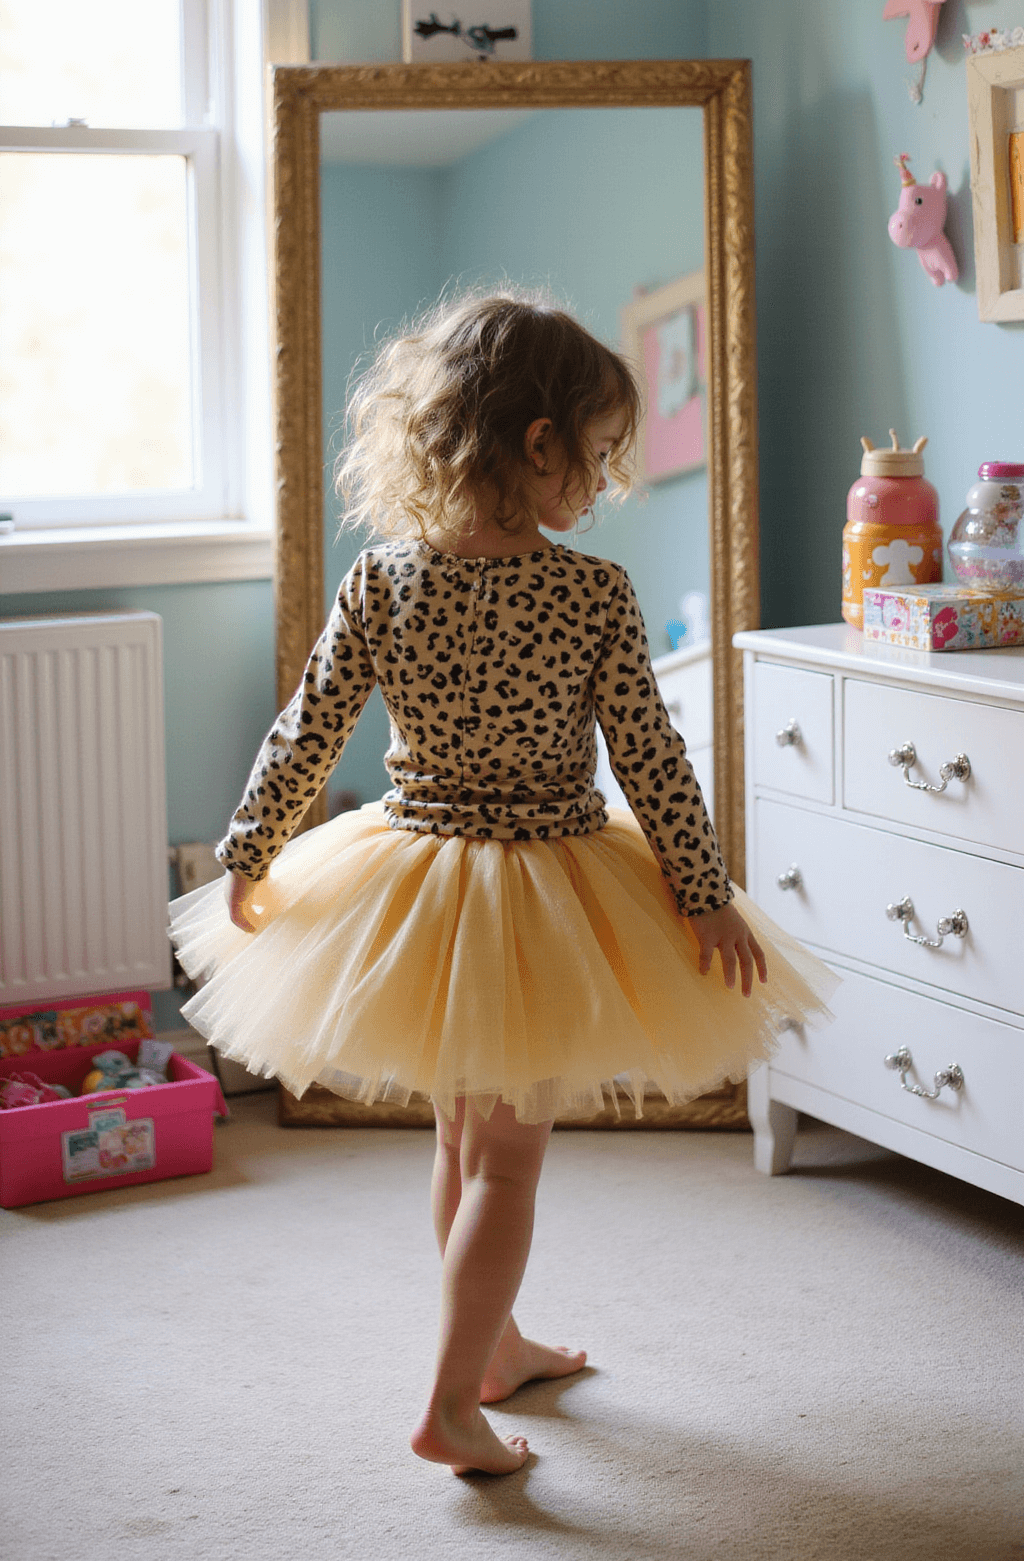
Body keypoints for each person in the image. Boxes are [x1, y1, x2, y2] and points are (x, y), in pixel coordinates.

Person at [169, 291, 836, 1480]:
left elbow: (309, 727)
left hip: (417, 876)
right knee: (510, 1162)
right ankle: (450, 1406)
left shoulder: (382, 579)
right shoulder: (590, 592)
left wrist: (251, 847)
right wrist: (701, 886)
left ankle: (494, 1347)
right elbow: (650, 755)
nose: (602, 484)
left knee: (459, 1139)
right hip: (544, 887)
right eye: (596, 456)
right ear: (539, 448)